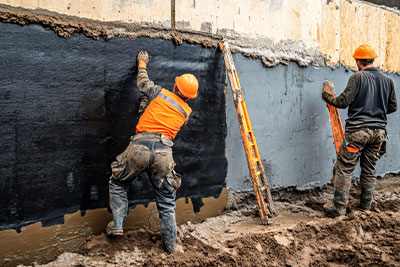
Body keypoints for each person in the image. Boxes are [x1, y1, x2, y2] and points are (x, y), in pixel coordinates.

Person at [106, 50, 199, 253]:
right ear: (190, 97)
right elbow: (161, 120)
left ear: (175, 86)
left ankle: (118, 225)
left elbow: (142, 84)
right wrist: (145, 108)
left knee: (118, 182)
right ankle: (170, 248)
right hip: (164, 152)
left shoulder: (160, 92)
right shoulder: (186, 112)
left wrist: (142, 63)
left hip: (140, 145)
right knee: (166, 203)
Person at [322, 44, 397, 217]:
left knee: (345, 168)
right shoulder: (388, 81)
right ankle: (365, 207)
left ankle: (339, 207)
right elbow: (392, 106)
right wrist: (375, 109)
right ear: (372, 59)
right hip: (378, 134)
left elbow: (342, 102)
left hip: (357, 132)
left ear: (358, 61)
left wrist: (328, 97)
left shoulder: (357, 77)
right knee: (370, 169)